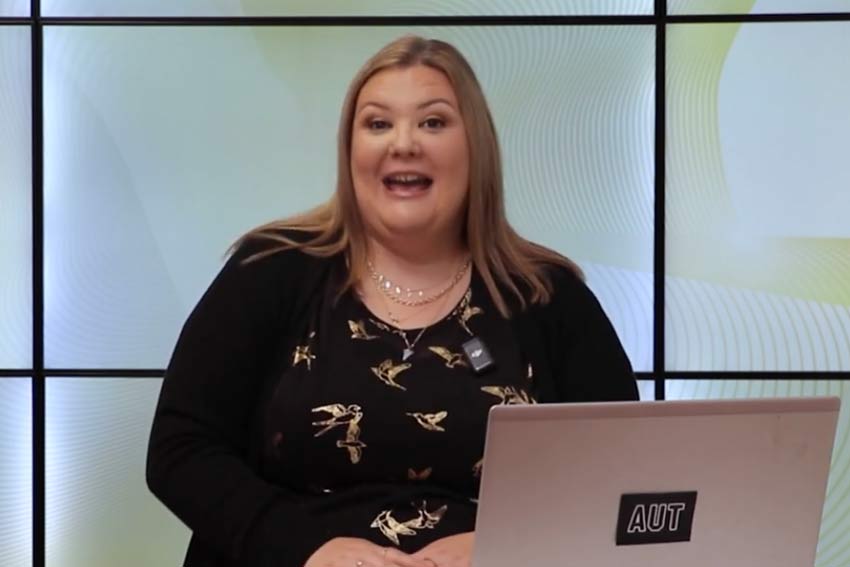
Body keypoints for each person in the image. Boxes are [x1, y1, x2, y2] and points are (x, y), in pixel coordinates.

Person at [146, 34, 637, 567]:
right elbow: (181, 449)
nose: (403, 144)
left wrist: (500, 546)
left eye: (433, 122)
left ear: (476, 147)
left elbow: (620, 475)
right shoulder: (268, 270)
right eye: (378, 123)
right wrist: (308, 549)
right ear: (350, 150)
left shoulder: (547, 294)